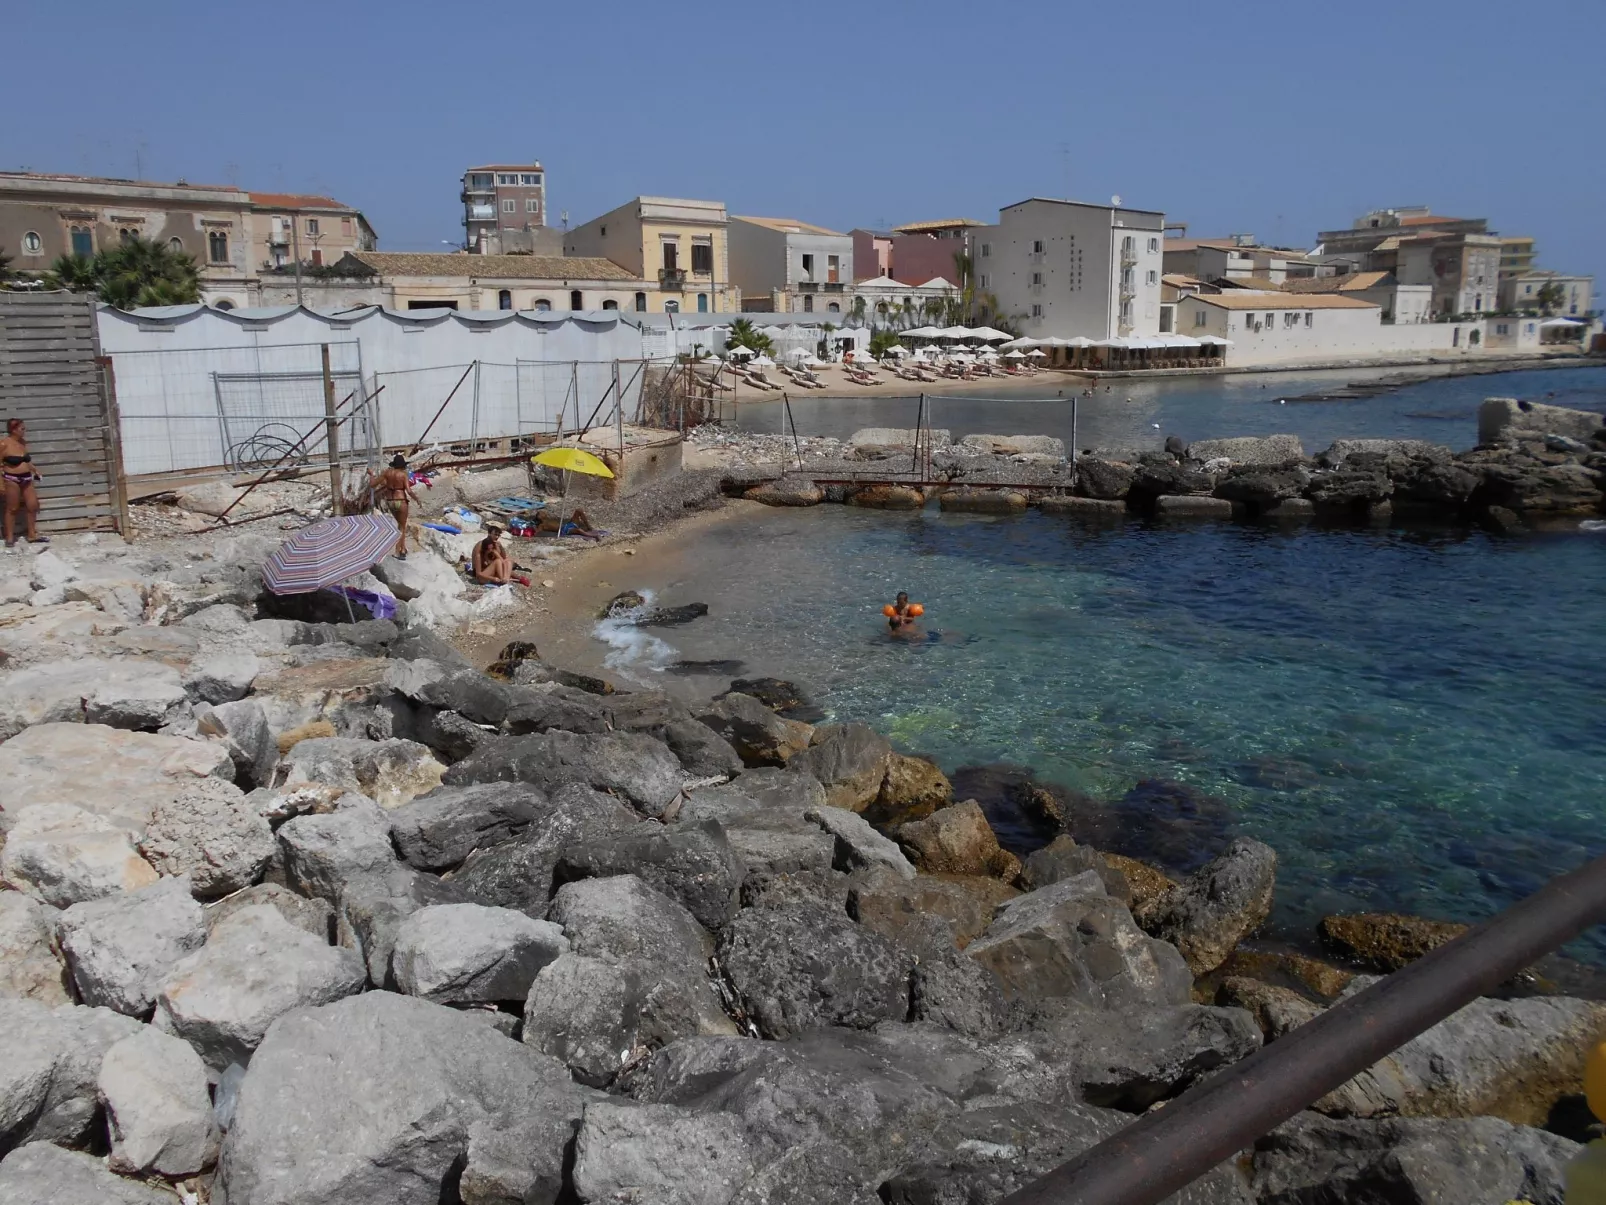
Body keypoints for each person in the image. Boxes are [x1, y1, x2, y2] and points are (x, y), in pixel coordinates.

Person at [1, 418, 45, 548]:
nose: (24, 431)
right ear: (13, 429)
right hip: (11, 478)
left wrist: (35, 470)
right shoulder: (4, 444)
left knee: (32, 505)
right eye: (22, 429)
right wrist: (1, 484)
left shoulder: (22, 443)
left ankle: (32, 535)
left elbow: (26, 460)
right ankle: (9, 537)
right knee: (12, 508)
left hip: (26, 477)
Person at [370, 454, 421, 559]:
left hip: (390, 501)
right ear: (403, 465)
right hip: (401, 500)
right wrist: (417, 499)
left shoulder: (386, 473)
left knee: (399, 525)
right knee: (402, 527)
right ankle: (398, 551)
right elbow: (408, 490)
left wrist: (371, 475)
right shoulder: (403, 474)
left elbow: (373, 484)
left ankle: (403, 548)